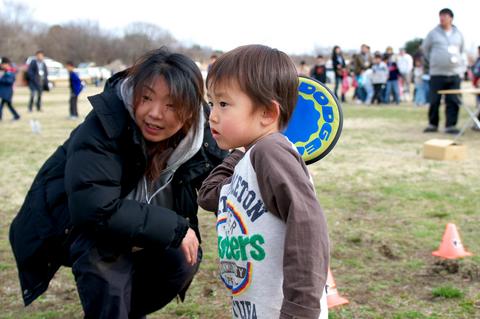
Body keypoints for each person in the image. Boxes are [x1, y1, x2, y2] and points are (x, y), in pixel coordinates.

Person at [9, 47, 227, 318]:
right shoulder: (104, 123)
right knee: (106, 257)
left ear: (190, 110)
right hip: (76, 226)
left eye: (171, 105)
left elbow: (225, 182)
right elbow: (94, 209)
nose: (155, 113)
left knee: (181, 260)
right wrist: (176, 227)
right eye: (146, 97)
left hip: (137, 220)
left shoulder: (198, 135)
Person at [197, 44, 329, 319]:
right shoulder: (251, 158)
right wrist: (238, 153)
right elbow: (209, 195)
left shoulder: (271, 152)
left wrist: (300, 309)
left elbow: (308, 224)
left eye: (223, 103)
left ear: (267, 113)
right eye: (211, 104)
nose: (213, 115)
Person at [422, 8, 465, 134]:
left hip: (454, 73)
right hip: (437, 73)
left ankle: (450, 125)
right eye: (440, 16)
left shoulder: (458, 34)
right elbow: (425, 49)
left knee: (453, 100)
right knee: (434, 99)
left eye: (444, 16)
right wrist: (435, 61)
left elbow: (461, 50)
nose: (442, 19)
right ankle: (432, 124)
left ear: (451, 18)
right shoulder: (433, 34)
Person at [0, 57, 21, 121]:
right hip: (4, 91)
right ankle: (16, 116)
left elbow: (9, 81)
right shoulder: (6, 71)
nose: (1, 66)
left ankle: (16, 116)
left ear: (6, 64)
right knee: (7, 105)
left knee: (3, 105)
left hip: (7, 92)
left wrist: (1, 79)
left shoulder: (10, 71)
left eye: (2, 64)